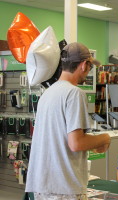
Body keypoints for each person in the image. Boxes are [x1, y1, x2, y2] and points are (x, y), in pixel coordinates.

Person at [25, 42, 111, 200]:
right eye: (90, 67)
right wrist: (104, 138)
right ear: (84, 65)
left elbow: (60, 141)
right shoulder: (74, 93)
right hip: (64, 188)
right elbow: (76, 143)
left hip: (42, 187)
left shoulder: (47, 94)